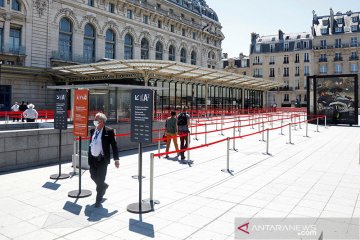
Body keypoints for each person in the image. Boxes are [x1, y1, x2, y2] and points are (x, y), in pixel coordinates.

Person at [88, 112, 120, 208]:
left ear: (102, 121)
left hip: (102, 159)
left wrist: (116, 159)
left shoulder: (109, 131)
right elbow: (91, 144)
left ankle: (98, 199)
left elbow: (114, 146)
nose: (94, 121)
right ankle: (104, 186)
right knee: (93, 176)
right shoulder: (92, 130)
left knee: (101, 178)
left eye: (96, 119)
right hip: (93, 158)